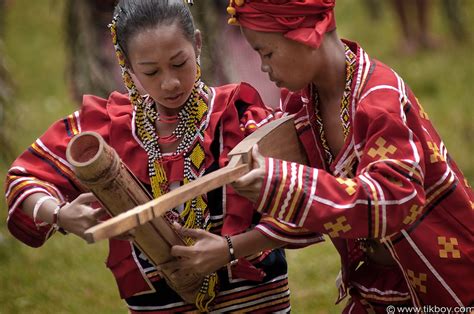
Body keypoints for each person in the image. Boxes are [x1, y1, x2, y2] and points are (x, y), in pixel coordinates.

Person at [4, 0, 323, 312]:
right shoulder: (108, 128)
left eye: (179, 63)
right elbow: (25, 178)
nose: (169, 83)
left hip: (255, 302)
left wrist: (229, 249)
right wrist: (60, 214)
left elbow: (312, 202)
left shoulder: (240, 117)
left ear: (197, 44)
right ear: (126, 65)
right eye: (151, 71)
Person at [168, 0, 474, 312]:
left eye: (267, 52)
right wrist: (229, 249)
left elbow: (392, 202)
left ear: (305, 34)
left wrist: (283, 183)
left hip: (446, 286)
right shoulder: (304, 102)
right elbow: (323, 211)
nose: (262, 66)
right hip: (378, 288)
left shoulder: (380, 99)